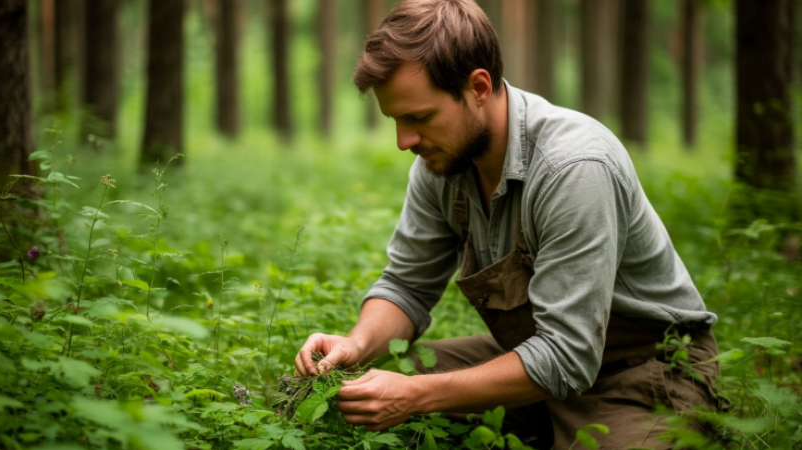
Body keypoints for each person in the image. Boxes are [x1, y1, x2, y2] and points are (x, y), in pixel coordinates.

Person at [294, 0, 721, 448]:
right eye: (395, 120)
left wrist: (418, 396)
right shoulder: (441, 161)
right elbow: (407, 286)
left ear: (478, 86)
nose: (404, 141)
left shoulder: (573, 168)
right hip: (530, 365)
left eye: (418, 117)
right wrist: (356, 345)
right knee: (350, 390)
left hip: (643, 377)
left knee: (408, 392)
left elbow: (567, 356)